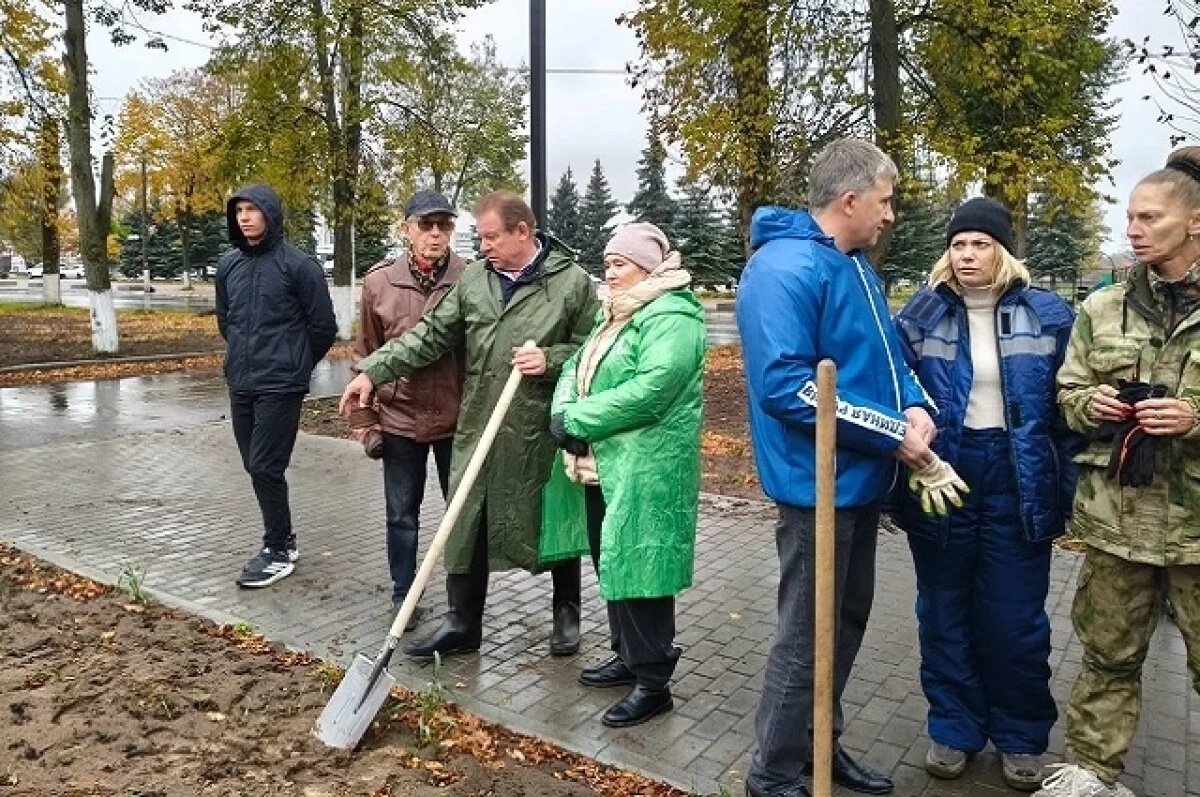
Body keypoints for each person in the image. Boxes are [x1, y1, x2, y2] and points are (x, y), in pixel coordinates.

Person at [737, 138, 946, 797]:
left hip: (857, 483)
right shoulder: (784, 270)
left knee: (844, 623)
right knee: (807, 635)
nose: (890, 216)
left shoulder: (854, 265)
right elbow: (788, 387)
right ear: (850, 199)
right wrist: (892, 436)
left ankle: (816, 745)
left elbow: (885, 359)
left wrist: (914, 406)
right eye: (884, 202)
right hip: (814, 488)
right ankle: (772, 775)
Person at [339, 190, 599, 660]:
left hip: (540, 425)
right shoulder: (476, 280)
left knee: (553, 514)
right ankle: (463, 622)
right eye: (479, 238)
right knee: (465, 518)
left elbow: (593, 351)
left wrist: (553, 358)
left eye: (491, 237)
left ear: (524, 232)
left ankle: (566, 613)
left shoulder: (572, 283)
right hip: (479, 420)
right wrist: (371, 372)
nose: (483, 247)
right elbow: (430, 336)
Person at [892, 197, 1079, 791]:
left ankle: (1021, 736)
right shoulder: (920, 315)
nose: (967, 254)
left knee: (1014, 619)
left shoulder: (1048, 314)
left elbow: (1067, 416)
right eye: (957, 244)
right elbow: (895, 389)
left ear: (1003, 250)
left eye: (980, 243)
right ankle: (954, 726)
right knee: (943, 612)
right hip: (943, 473)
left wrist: (1062, 494)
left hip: (1017, 476)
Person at [1034, 148, 1200, 797]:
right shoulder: (1104, 307)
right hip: (1117, 522)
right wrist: (1088, 402)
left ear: (1193, 223)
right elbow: (1068, 388)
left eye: (1149, 217)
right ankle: (1092, 770)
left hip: (1195, 527)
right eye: (1129, 216)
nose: (1133, 228)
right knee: (1106, 653)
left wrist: (1193, 416)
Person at [549, 222, 706, 728]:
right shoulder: (617, 314)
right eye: (608, 262)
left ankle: (654, 682)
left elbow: (654, 388)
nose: (608, 272)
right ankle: (628, 656)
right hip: (606, 466)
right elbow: (576, 367)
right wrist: (565, 410)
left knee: (643, 568)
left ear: (648, 266)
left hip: (648, 469)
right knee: (613, 561)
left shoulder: (672, 315)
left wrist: (577, 419)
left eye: (619, 263)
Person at [350, 190, 466, 628]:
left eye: (444, 226)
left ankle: (462, 601)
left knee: (460, 514)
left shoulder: (468, 278)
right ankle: (404, 594)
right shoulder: (379, 282)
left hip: (455, 420)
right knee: (401, 515)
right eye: (426, 225)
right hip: (399, 419)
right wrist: (365, 424)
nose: (435, 234)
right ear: (407, 229)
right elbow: (366, 354)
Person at [216, 183, 338, 589]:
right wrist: (241, 357)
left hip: (280, 384)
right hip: (241, 381)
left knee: (267, 465)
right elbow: (227, 322)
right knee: (254, 464)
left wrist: (294, 365)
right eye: (239, 211)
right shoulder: (229, 266)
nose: (245, 217)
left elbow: (323, 327)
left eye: (253, 209)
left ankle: (278, 548)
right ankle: (281, 538)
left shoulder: (298, 266)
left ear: (270, 213)